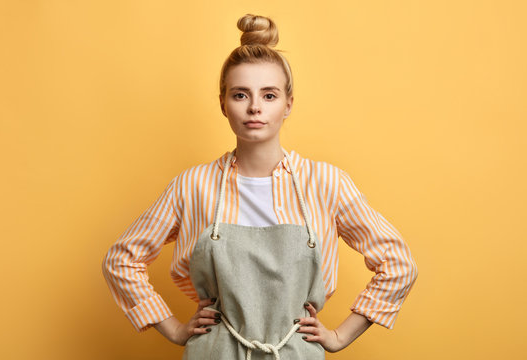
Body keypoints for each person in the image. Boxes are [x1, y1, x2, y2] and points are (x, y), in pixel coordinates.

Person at [102, 13, 418, 359]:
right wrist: (174, 328)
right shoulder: (193, 185)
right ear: (223, 104)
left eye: (269, 96)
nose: (254, 107)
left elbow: (398, 263)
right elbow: (122, 260)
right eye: (240, 95)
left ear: (288, 104)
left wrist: (341, 336)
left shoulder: (326, 183)